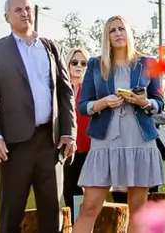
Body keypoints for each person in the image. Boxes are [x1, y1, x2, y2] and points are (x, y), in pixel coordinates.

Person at [0, 0, 76, 233]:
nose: (25, 13)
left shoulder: (51, 47)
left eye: (28, 9)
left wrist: (69, 131)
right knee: (11, 212)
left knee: (52, 212)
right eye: (18, 10)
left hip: (49, 142)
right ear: (7, 17)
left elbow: (65, 92)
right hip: (14, 144)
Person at [72, 17, 165, 233]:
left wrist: (144, 102)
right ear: (107, 36)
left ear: (129, 32)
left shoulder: (147, 63)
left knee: (138, 208)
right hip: (105, 142)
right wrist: (103, 102)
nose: (117, 33)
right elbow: (83, 105)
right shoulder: (96, 64)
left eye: (121, 29)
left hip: (139, 141)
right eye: (112, 30)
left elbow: (159, 102)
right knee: (89, 206)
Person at [64, 48, 92, 211]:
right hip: (67, 148)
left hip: (89, 147)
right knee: (69, 191)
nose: (78, 66)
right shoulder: (61, 88)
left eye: (83, 63)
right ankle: (76, 226)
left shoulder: (92, 89)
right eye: (74, 62)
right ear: (67, 64)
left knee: (89, 193)